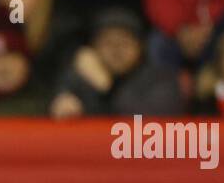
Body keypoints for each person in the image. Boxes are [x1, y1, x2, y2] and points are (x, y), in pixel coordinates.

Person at [51, 7, 184, 118]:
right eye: (108, 43)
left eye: (124, 43)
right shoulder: (80, 76)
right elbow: (57, 103)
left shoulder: (161, 79)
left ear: (140, 47)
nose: (116, 51)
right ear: (94, 48)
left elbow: (147, 126)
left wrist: (107, 87)